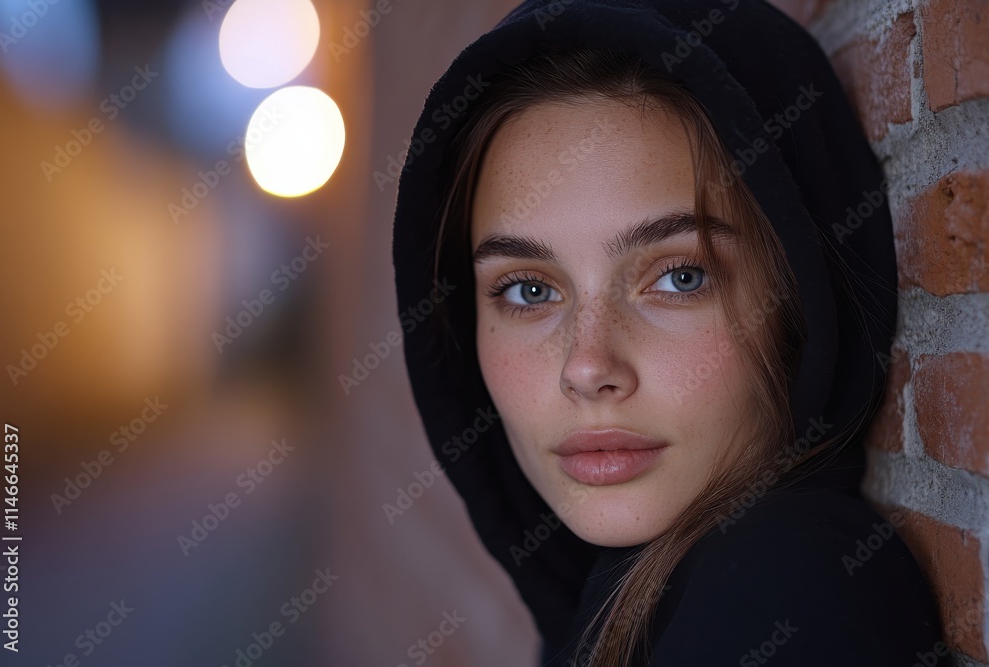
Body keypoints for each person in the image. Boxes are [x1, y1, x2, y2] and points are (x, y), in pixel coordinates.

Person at [391, 1, 950, 665]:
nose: (588, 365)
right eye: (529, 290)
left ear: (800, 301)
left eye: (681, 277)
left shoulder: (788, 589)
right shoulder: (615, 608)